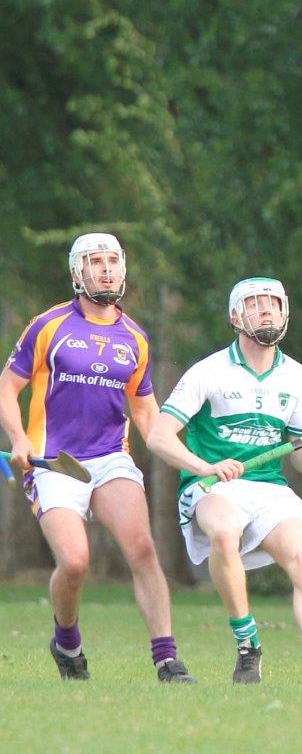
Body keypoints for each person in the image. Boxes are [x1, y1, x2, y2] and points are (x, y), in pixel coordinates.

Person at [147, 277, 302, 685]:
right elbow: (159, 436)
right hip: (212, 487)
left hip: (269, 489)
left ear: (286, 313)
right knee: (225, 531)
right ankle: (247, 642)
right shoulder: (208, 371)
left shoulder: (298, 376)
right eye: (255, 303)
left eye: (274, 303)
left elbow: (301, 460)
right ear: (235, 317)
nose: (267, 310)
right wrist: (204, 467)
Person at [0, 232, 194, 682]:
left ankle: (167, 660)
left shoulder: (135, 339)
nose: (106, 269)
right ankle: (66, 639)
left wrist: (192, 460)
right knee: (75, 562)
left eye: (112, 261)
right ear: (76, 272)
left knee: (143, 549)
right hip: (54, 461)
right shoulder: (48, 326)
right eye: (95, 262)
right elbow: (8, 387)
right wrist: (18, 437)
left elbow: (147, 414)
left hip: (110, 459)